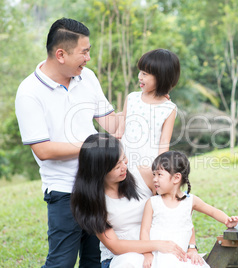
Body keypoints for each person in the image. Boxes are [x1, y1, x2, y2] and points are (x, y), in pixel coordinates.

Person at [15, 18, 121, 267]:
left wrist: (145, 98)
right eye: (84, 52)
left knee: (96, 261)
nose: (88, 58)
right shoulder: (29, 92)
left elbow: (114, 126)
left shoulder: (88, 78)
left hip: (99, 186)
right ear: (61, 54)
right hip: (64, 192)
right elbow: (43, 150)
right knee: (61, 262)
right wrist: (92, 147)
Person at [71, 133, 198, 268]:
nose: (124, 167)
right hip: (122, 257)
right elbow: (116, 246)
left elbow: (179, 207)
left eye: (124, 159)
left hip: (160, 252)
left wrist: (191, 247)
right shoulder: (91, 200)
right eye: (117, 166)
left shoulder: (145, 175)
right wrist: (158, 244)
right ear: (99, 170)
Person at [140, 151, 238, 268]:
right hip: (158, 256)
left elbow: (212, 211)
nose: (154, 179)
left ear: (176, 178)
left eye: (159, 175)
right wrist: (147, 254)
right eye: (154, 175)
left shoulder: (189, 200)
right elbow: (144, 231)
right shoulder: (153, 203)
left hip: (182, 257)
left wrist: (227, 220)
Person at [115, 48, 180, 167]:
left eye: (145, 74)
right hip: (124, 164)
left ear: (161, 78)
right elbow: (120, 132)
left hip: (148, 167)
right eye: (140, 72)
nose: (140, 77)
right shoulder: (131, 98)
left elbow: (164, 143)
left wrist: (159, 169)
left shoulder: (169, 108)